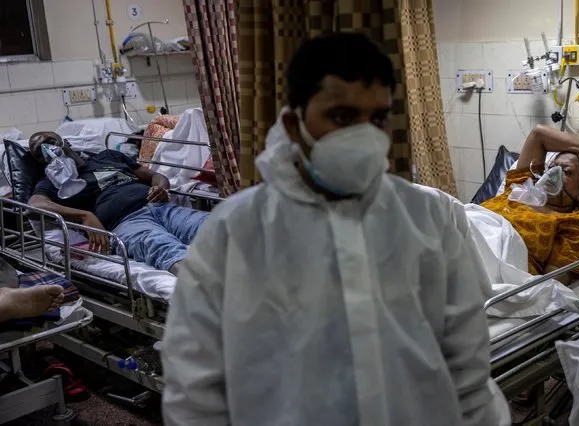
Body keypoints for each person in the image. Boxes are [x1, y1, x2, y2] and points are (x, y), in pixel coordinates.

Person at [162, 33, 505, 426]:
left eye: (377, 119)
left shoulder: (428, 216)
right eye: (342, 117)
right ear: (294, 124)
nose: (364, 136)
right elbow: (194, 385)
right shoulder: (235, 232)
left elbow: (466, 359)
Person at [27, 132, 209, 274]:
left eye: (50, 141)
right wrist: (84, 215)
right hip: (127, 224)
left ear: (65, 142)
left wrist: (161, 187)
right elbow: (35, 205)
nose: (47, 148)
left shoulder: (109, 156)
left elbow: (155, 176)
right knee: (160, 246)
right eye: (39, 150)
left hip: (162, 208)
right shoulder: (54, 182)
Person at [481, 125, 579, 284]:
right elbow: (538, 135)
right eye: (551, 167)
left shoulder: (578, 223)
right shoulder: (522, 185)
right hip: (471, 229)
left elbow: (552, 281)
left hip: (493, 264)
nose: (552, 174)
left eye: (567, 171)